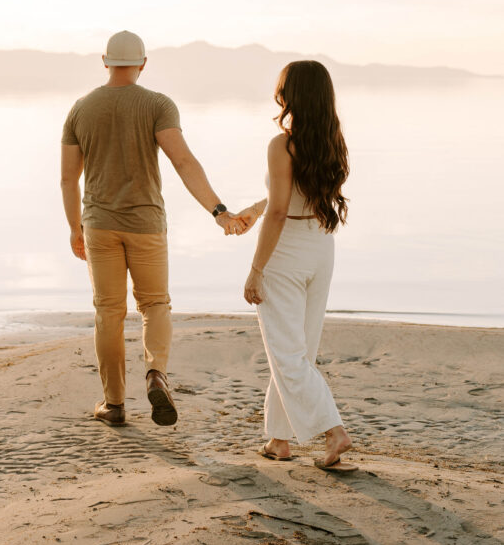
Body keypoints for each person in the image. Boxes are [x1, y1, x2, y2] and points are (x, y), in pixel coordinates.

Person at [60, 30, 245, 428]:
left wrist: (75, 229)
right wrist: (219, 210)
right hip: (146, 225)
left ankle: (114, 403)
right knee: (155, 304)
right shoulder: (157, 105)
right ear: (143, 64)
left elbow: (67, 180)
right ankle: (156, 373)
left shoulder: (80, 109)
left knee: (108, 312)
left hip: (99, 225)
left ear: (104, 61)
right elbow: (183, 162)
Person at [238, 60, 355, 471]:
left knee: (287, 355)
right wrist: (255, 209)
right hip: (321, 248)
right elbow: (287, 199)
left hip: (285, 253)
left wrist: (256, 269)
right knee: (298, 352)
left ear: (291, 95)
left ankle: (333, 430)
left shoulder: (281, 144)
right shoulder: (331, 141)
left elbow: (280, 211)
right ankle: (278, 440)